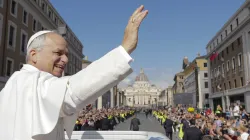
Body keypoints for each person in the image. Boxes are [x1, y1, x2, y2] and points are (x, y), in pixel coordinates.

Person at [0, 5, 148, 140]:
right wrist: (125, 48)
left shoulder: (15, 84)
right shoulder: (30, 82)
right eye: (58, 53)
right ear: (33, 55)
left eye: (67, 55)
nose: (65, 60)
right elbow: (71, 92)